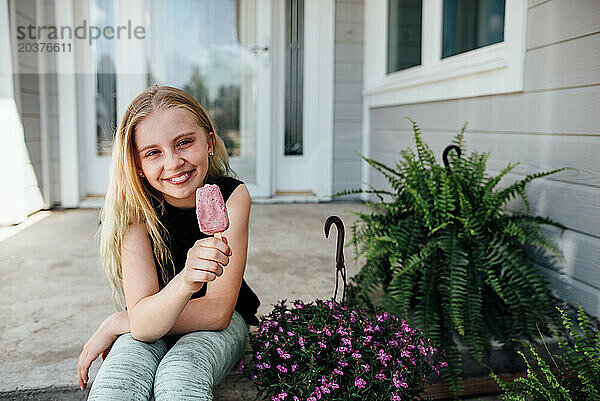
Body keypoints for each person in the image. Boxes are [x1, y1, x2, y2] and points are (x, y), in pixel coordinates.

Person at [76, 85, 260, 400]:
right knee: (118, 380)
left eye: (184, 143)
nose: (174, 163)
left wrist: (120, 320)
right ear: (137, 165)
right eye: (153, 152)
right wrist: (186, 280)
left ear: (209, 143)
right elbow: (146, 326)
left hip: (219, 326)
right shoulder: (133, 213)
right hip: (152, 320)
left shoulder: (231, 196)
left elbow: (217, 312)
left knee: (181, 372)